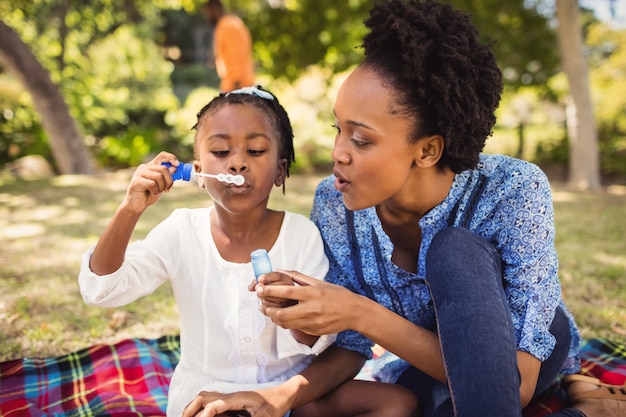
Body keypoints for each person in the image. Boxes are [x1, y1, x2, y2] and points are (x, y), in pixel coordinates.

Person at [182, 1, 626, 417]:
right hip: (430, 368)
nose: (338, 152)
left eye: (360, 139)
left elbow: (514, 383)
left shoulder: (512, 191)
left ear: (428, 150)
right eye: (339, 130)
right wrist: (273, 397)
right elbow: (352, 345)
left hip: (521, 357)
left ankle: (578, 392)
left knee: (453, 249)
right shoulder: (336, 204)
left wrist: (358, 311)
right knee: (402, 404)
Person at [78, 86, 417, 417]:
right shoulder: (181, 231)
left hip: (291, 393)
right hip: (210, 396)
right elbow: (102, 289)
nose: (237, 163)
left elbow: (318, 339)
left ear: (280, 170)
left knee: (398, 403)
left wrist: (291, 311)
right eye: (221, 153)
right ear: (198, 170)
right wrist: (129, 209)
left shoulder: (302, 234)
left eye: (255, 151)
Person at [203, 0, 255, 92]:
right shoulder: (234, 22)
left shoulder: (226, 26)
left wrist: (236, 82)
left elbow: (236, 53)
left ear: (214, 9)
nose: (206, 16)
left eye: (207, 12)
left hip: (235, 84)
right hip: (242, 81)